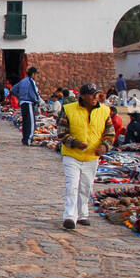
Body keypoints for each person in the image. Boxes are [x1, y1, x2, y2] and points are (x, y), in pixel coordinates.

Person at [57, 82, 112, 231]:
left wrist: (104, 146)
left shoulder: (105, 111)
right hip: (72, 154)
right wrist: (74, 143)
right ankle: (69, 216)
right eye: (92, 94)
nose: (95, 97)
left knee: (86, 186)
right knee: (72, 185)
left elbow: (109, 133)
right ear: (83, 96)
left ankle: (83, 214)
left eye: (96, 94)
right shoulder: (69, 109)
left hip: (92, 156)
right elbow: (61, 132)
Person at [12, 67, 42, 146]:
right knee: (31, 122)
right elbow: (34, 93)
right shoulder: (31, 81)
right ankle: (29, 139)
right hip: (29, 103)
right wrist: (37, 101)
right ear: (33, 74)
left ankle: (25, 139)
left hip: (23, 103)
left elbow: (13, 89)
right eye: (36, 74)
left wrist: (19, 97)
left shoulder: (23, 81)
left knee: (25, 122)